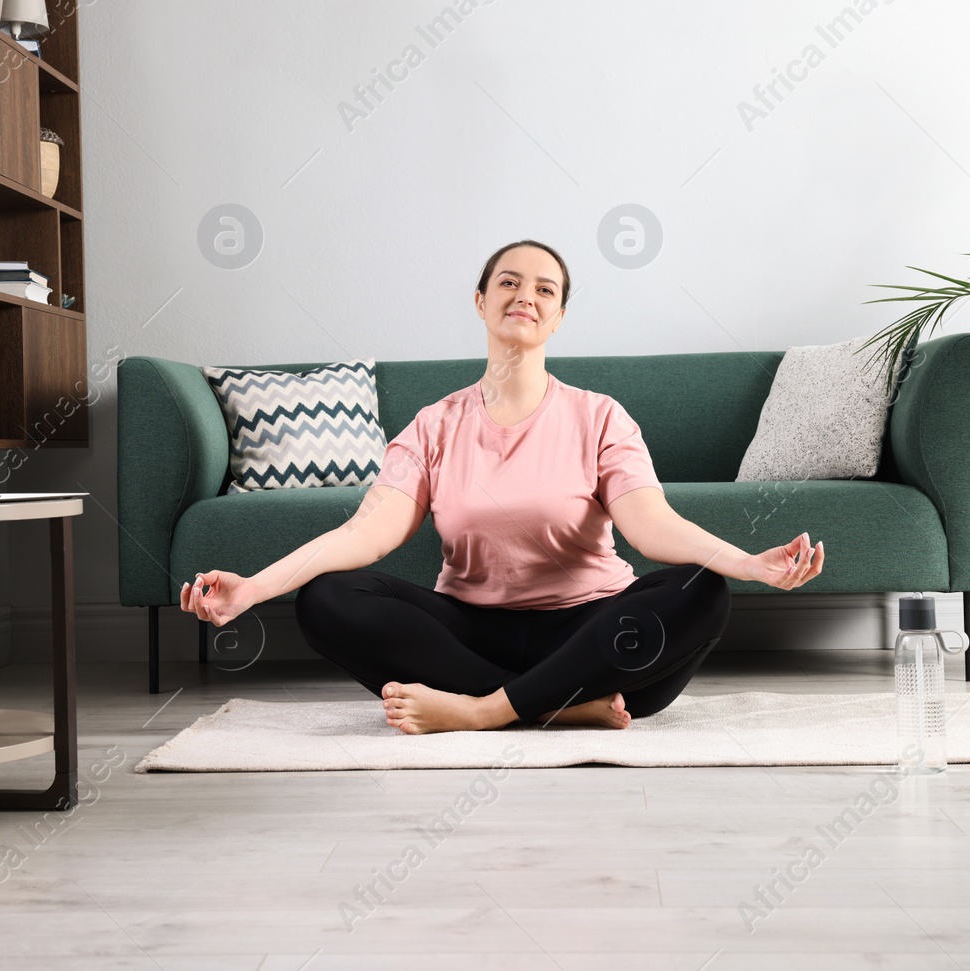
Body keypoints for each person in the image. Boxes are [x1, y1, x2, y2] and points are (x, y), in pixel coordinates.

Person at [179, 240, 825, 734]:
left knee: (700, 587)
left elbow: (651, 526)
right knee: (326, 599)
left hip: (596, 636)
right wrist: (255, 588)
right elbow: (363, 535)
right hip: (469, 633)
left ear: (559, 315)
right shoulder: (434, 425)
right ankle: (561, 707)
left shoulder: (600, 416)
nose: (526, 294)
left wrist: (746, 564)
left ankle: (484, 709)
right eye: (509, 282)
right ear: (481, 300)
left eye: (545, 288)